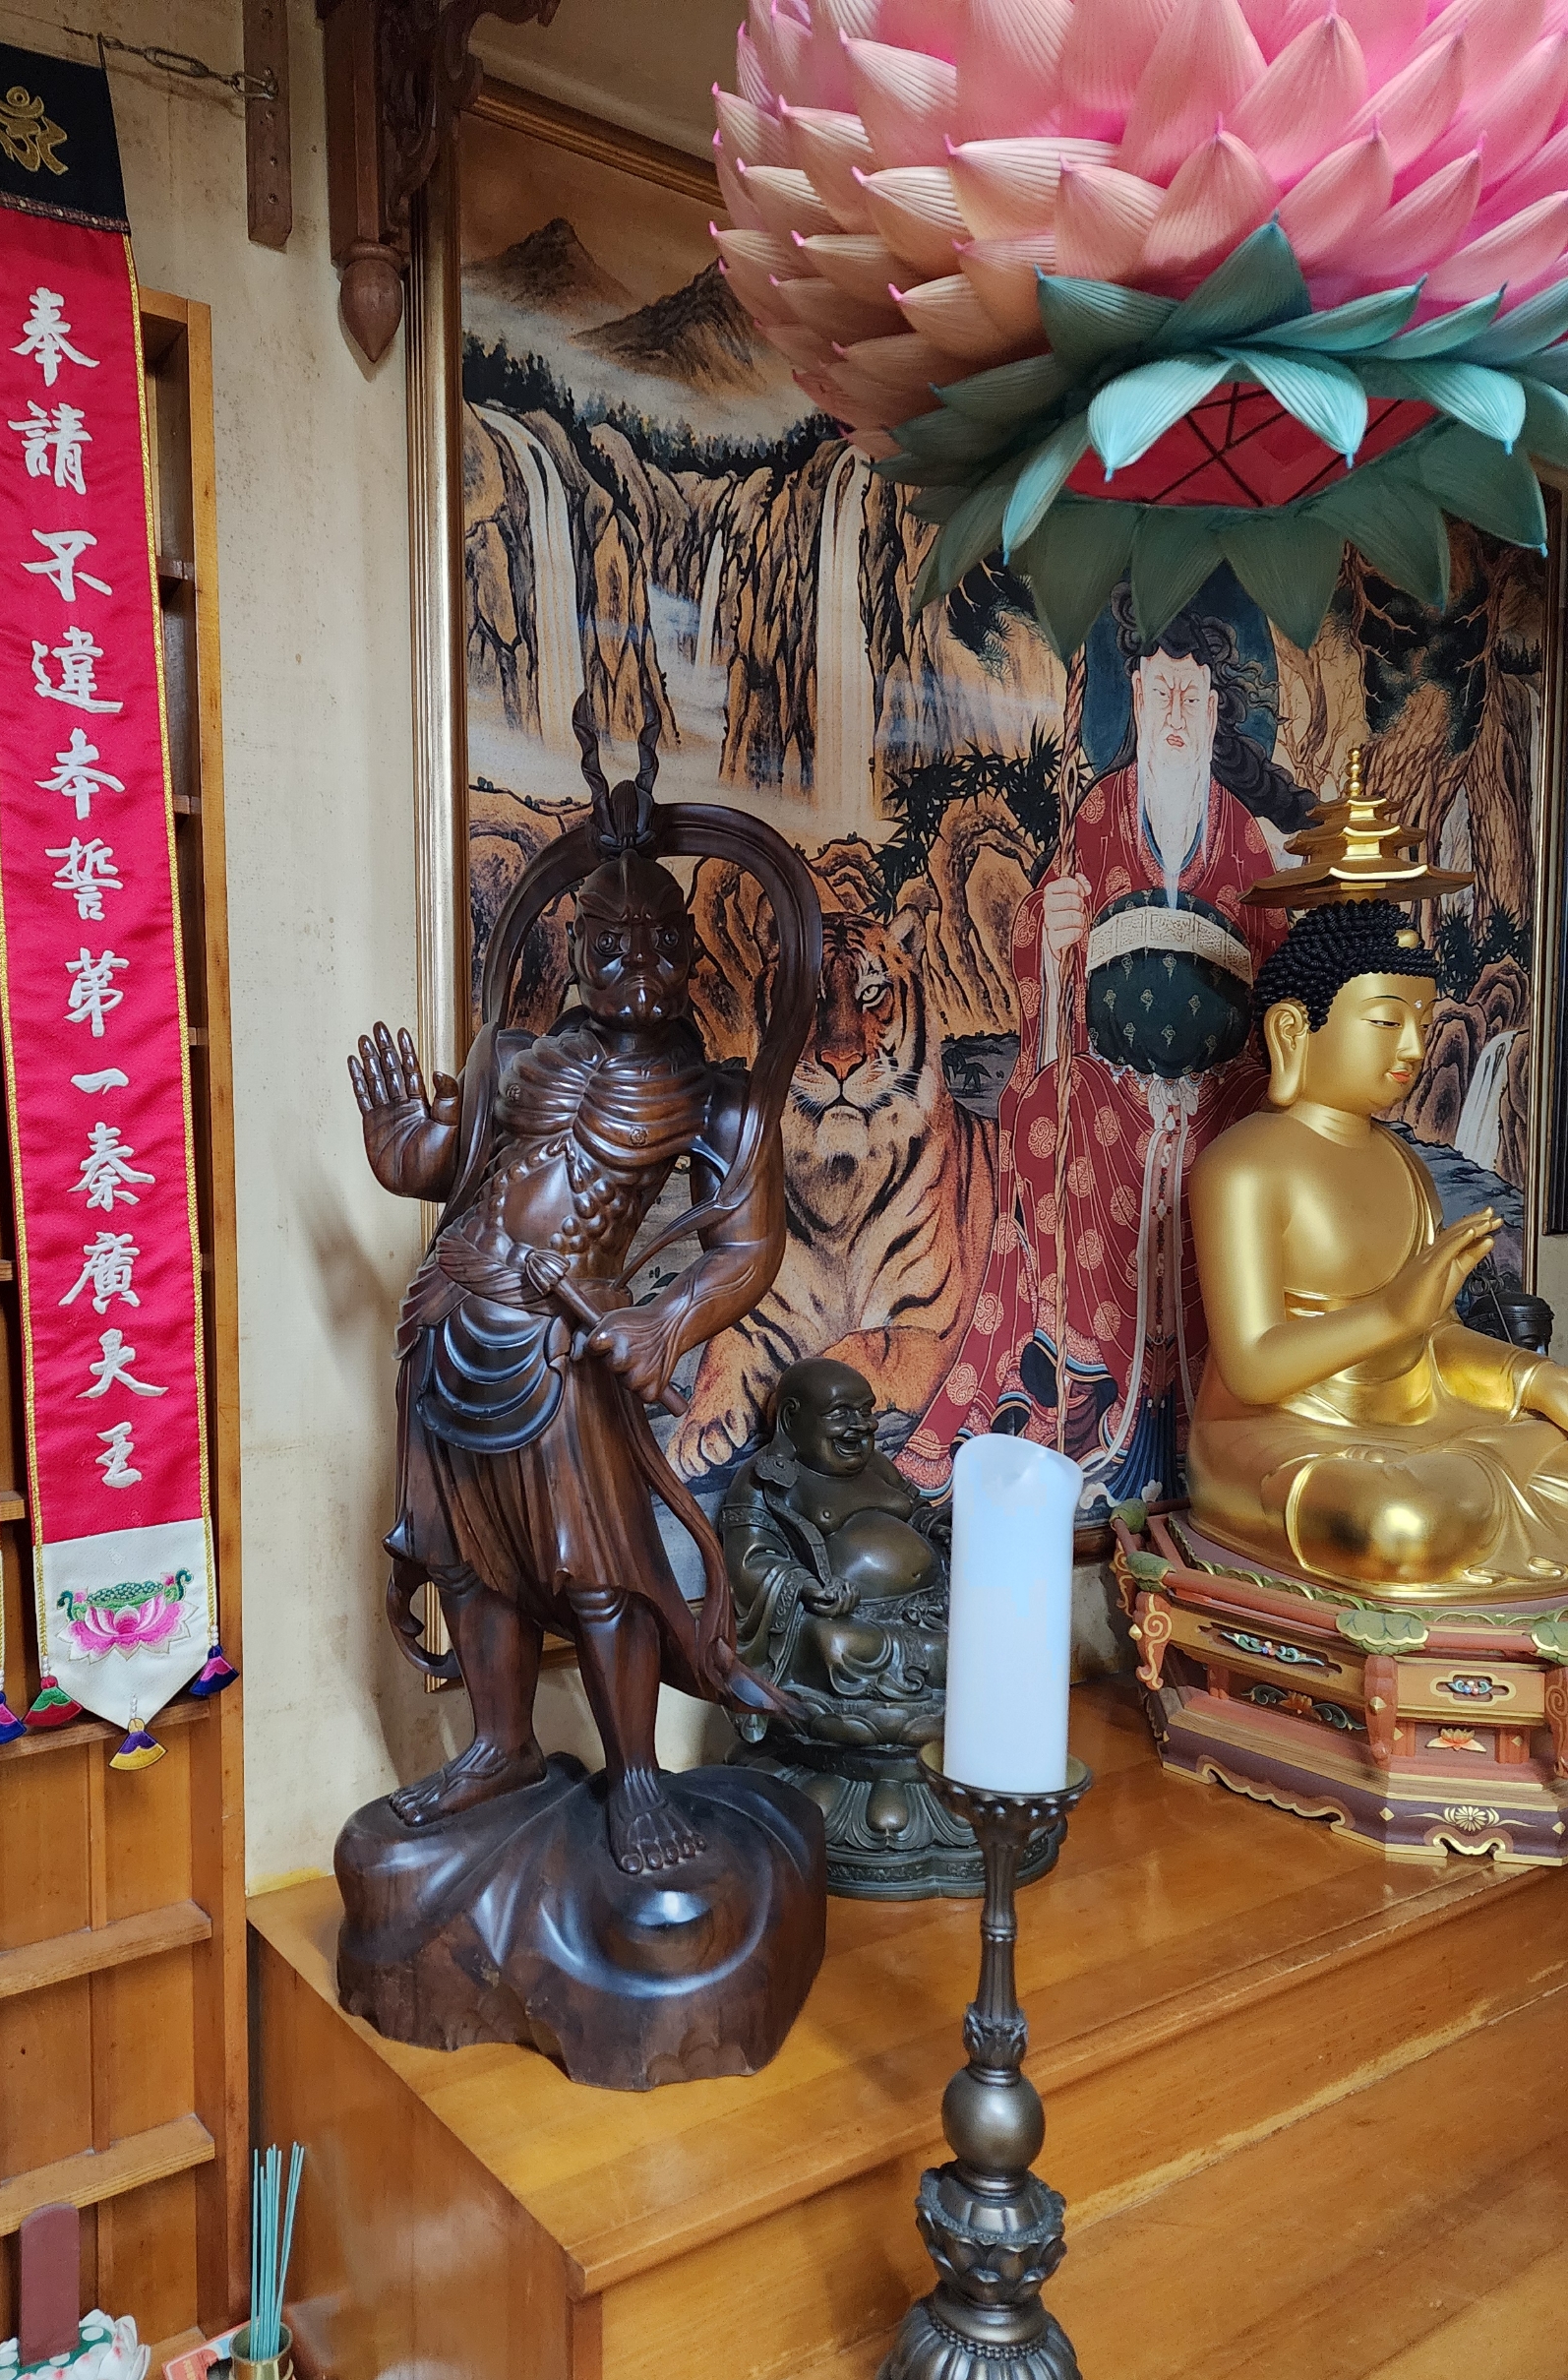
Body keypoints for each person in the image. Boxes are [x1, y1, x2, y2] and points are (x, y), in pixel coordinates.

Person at [349, 838, 791, 1875]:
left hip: (561, 1345)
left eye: (660, 944)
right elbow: (456, 1167)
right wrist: (399, 1145)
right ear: (578, 947)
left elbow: (749, 1249)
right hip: (450, 1314)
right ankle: (500, 1745)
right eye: (610, 946)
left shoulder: (721, 1101)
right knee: (462, 1550)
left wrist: (665, 1322)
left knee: (599, 1569)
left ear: (692, 951)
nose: (636, 967)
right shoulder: (515, 1057)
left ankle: (635, 1775)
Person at [900, 592, 1307, 1504]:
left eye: (1191, 697)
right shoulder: (1097, 814)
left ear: (1216, 713)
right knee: (1059, 1113)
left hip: (1222, 1086)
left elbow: (1283, 979)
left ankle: (1212, 1405)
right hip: (1111, 1081)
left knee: (1248, 1145)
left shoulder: (1247, 837)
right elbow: (1041, 954)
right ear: (1136, 702)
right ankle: (1080, 1390)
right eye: (1159, 694)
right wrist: (1052, 939)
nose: (1174, 715)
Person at [1186, 900, 1568, 1594]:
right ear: (1293, 1029)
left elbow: (1434, 1339)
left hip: (1417, 1423)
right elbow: (1251, 1370)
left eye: (1422, 1023)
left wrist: (1535, 1379)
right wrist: (1390, 1315)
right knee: (1396, 1523)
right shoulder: (1241, 1167)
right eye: (1388, 1022)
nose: (1415, 1050)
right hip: (1278, 1434)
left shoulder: (1406, 1165)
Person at [720, 1357, 947, 1706]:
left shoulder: (877, 1464)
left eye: (866, 1411)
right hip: (850, 1622)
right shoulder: (764, 1480)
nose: (861, 1425)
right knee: (834, 1644)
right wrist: (807, 1587)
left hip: (930, 1606)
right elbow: (751, 1562)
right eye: (840, 1413)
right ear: (791, 1418)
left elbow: (916, 1510)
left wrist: (939, 1525)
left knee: (985, 1626)